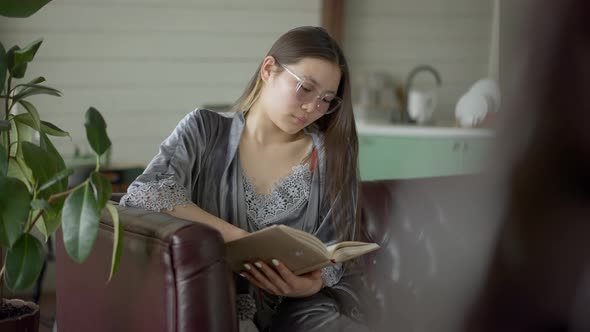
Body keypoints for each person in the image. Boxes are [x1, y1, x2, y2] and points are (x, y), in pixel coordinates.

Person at [120, 26, 368, 332]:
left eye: (326, 100)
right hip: (209, 306)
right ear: (268, 69)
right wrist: (237, 237)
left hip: (302, 310)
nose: (312, 108)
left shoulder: (332, 155)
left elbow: (338, 250)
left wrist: (309, 286)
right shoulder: (205, 129)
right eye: (305, 88)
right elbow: (147, 191)